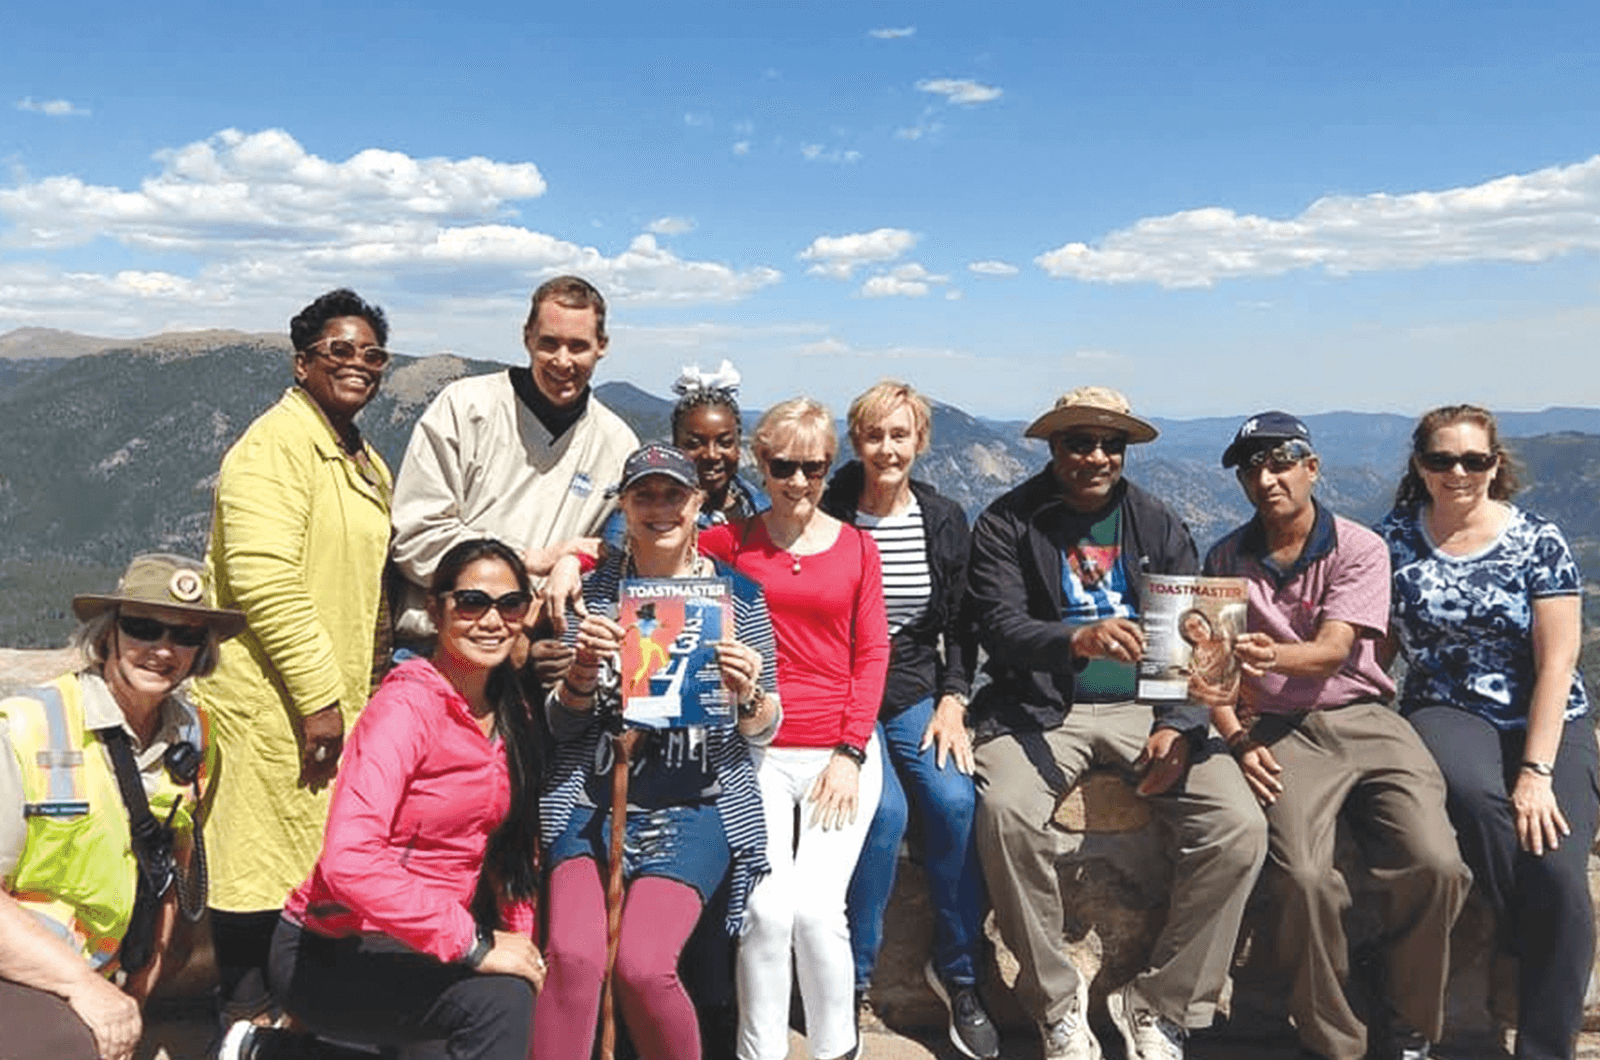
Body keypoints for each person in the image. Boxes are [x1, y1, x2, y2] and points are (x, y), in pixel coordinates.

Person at [965, 386, 1266, 1060]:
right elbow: (999, 625)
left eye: (1111, 444)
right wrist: (1075, 642)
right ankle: (1055, 1006)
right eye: (1080, 441)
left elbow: (1202, 636)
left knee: (1238, 828)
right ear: (1053, 447)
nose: (1097, 456)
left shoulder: (1156, 521)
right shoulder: (1007, 522)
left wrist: (1184, 722)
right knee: (1008, 816)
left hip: (1146, 706)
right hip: (1042, 707)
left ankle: (1160, 1005)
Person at [1203, 411, 1470, 1060]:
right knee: (1304, 881)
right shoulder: (1223, 558)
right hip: (1279, 727)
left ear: (1311, 468)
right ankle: (1335, 1041)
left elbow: (1331, 652)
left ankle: (1408, 1023)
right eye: (1252, 467)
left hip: (1367, 718)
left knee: (1438, 865)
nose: (1267, 477)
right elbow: (1209, 676)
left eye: (1281, 460)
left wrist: (1263, 655)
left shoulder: (1358, 547)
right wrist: (1238, 739)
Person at [221, 538, 548, 1060]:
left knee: (510, 991)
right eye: (471, 603)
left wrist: (520, 947)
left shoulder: (513, 712)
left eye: (510, 604)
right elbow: (348, 859)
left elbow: (515, 851)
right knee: (497, 1004)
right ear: (436, 610)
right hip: (335, 946)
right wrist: (477, 945)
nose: (492, 620)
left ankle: (270, 1054)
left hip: (430, 946)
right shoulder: (406, 708)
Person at [536, 444, 781, 1060]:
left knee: (644, 967)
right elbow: (562, 729)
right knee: (573, 955)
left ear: (698, 503)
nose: (660, 508)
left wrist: (747, 692)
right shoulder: (594, 596)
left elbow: (765, 726)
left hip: (697, 802)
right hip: (594, 800)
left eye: (674, 494)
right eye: (644, 495)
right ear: (624, 506)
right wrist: (583, 672)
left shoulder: (739, 599)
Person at [193, 288, 396, 1028]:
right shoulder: (274, 446)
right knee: (253, 881)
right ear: (302, 361)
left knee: (301, 871)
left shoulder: (359, 455)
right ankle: (243, 1026)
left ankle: (290, 1024)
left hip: (334, 702)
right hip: (271, 702)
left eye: (371, 353)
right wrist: (319, 696)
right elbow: (262, 579)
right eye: (338, 350)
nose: (357, 364)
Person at [1377, 404, 1597, 1060]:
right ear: (1421, 466)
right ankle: (1533, 935)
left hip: (1546, 709)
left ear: (1496, 465)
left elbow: (1558, 662)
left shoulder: (1538, 539)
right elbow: (1375, 650)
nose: (1459, 471)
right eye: (1443, 459)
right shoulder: (1392, 540)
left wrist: (1536, 772)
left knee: (1560, 869)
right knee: (1475, 799)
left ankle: (1542, 1048)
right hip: (1446, 705)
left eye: (1474, 459)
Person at [699, 397, 891, 1060]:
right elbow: (653, 565)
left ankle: (838, 1049)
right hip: (756, 749)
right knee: (764, 912)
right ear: (762, 462)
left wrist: (850, 750)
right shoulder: (727, 545)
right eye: (784, 466)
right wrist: (573, 562)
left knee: (814, 911)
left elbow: (872, 655)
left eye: (814, 466)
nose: (800, 481)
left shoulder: (858, 550)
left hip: (838, 750)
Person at [0, 553, 244, 1060]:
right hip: (18, 968)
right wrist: (87, 990)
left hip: (103, 970)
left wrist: (140, 986)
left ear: (202, 651)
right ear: (109, 633)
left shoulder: (196, 734)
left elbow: (173, 865)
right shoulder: (27, 726)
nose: (162, 650)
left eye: (185, 636)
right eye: (143, 628)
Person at [820, 381, 996, 1060]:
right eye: (873, 435)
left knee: (954, 801)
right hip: (842, 692)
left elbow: (961, 624)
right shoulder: (830, 507)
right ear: (855, 440)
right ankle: (853, 980)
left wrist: (955, 698)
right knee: (881, 814)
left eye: (900, 435)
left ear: (920, 441)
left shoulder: (944, 518)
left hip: (917, 689)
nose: (887, 448)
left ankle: (958, 974)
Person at [389, 274, 638, 644]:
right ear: (527, 338)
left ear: (601, 346)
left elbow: (619, 551)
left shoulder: (618, 445)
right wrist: (528, 561)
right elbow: (415, 536)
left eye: (578, 346)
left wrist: (573, 562)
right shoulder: (466, 407)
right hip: (438, 645)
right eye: (549, 343)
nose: (562, 361)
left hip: (539, 652)